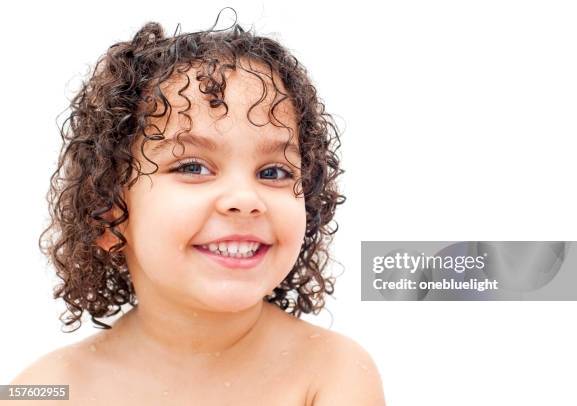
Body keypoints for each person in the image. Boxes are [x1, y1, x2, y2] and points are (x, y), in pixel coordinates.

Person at [7, 9, 385, 405]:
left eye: (273, 172)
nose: (245, 199)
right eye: (192, 167)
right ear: (109, 214)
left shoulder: (330, 372)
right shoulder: (43, 390)